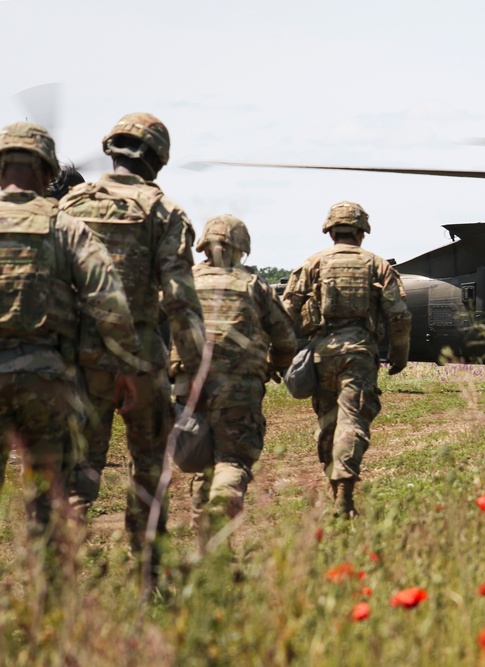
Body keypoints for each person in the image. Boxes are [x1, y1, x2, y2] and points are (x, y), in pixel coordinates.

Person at [59, 112, 205, 573]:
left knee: (79, 473)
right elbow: (180, 299)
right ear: (159, 159)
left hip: (82, 362)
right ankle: (148, 573)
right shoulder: (165, 212)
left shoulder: (69, 205)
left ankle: (62, 573)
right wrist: (195, 369)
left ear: (111, 150)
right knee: (146, 470)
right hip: (141, 362)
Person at [0, 121, 141, 551]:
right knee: (46, 501)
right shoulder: (67, 228)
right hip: (45, 379)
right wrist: (123, 367)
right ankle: (48, 602)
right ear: (47, 173)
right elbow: (110, 302)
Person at [170, 214, 296, 548]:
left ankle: (209, 550)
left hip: (189, 389)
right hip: (239, 389)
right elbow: (285, 338)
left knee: (203, 464)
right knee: (232, 461)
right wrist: (274, 367)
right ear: (241, 248)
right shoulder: (253, 285)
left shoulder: (184, 281)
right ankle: (218, 515)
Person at [282, 201, 410, 518]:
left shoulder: (312, 263)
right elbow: (399, 316)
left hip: (320, 355)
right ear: (362, 231)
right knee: (352, 421)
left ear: (330, 230)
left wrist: (278, 356)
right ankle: (343, 494)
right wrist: (399, 355)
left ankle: (334, 488)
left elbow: (285, 313)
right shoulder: (378, 266)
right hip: (358, 355)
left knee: (327, 424)